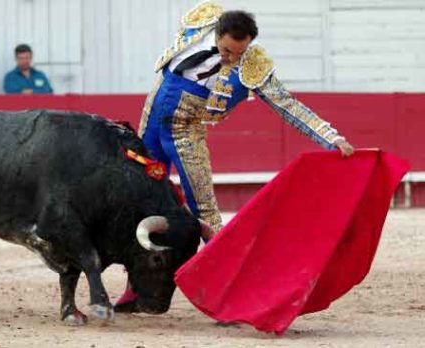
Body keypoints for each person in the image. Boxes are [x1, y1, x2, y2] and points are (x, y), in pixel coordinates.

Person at [116, 1, 355, 307]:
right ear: (217, 34)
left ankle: (232, 289)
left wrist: (330, 137)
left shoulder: (251, 66)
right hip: (150, 126)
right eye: (227, 50)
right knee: (138, 202)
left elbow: (288, 105)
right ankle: (135, 289)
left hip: (185, 134)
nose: (230, 58)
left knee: (205, 212)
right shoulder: (199, 24)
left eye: (238, 53)